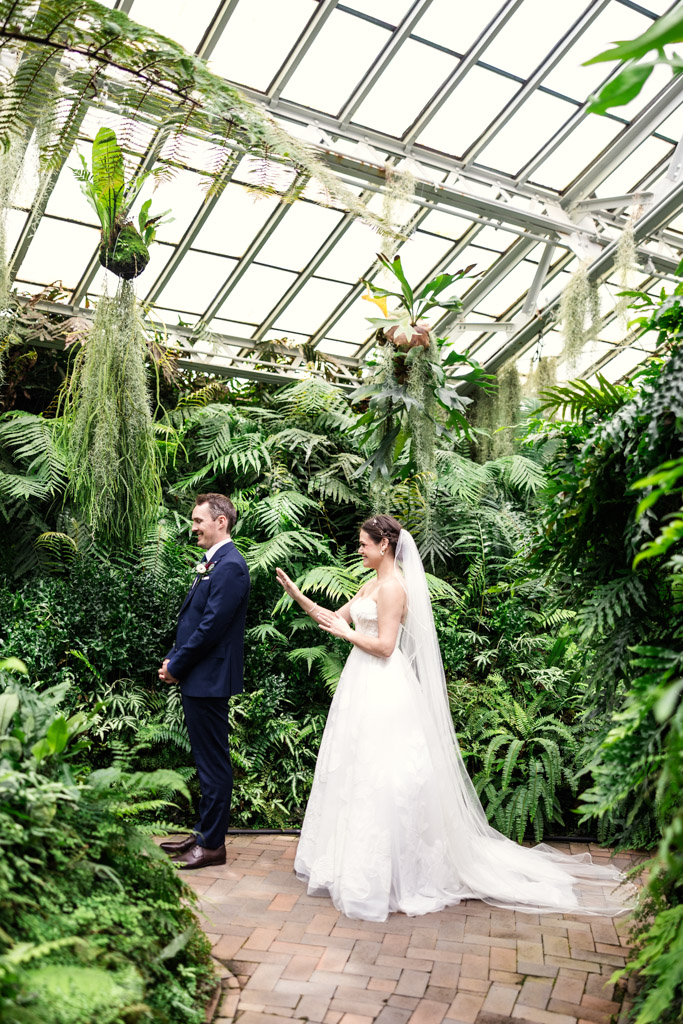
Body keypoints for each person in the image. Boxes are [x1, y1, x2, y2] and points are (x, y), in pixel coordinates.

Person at [275, 514, 636, 923]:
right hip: (359, 685)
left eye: (363, 544)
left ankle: (394, 874)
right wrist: (298, 595)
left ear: (384, 546)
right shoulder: (370, 583)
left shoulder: (393, 588)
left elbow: (386, 646)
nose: (358, 550)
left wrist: (347, 636)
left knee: (387, 775)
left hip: (384, 687)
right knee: (357, 771)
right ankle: (354, 864)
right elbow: (335, 619)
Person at [158, 493, 250, 870]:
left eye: (198, 520)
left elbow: (211, 627)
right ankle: (202, 833)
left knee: (213, 763)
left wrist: (177, 664)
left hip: (208, 676)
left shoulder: (230, 566)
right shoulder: (212, 562)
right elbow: (196, 620)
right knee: (205, 760)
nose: (193, 527)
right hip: (200, 675)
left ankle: (212, 846)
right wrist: (175, 657)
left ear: (220, 522)